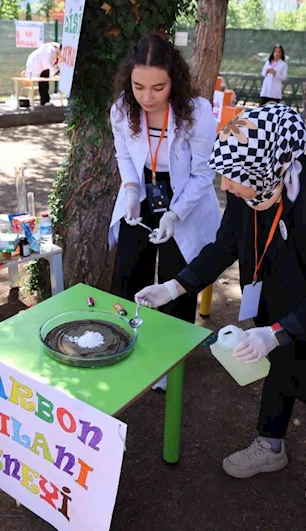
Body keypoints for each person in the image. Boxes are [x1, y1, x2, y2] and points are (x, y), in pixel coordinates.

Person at [136, 104, 306, 509]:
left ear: (271, 170)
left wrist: (276, 333)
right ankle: (270, 445)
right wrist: (175, 286)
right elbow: (225, 245)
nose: (226, 187)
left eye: (234, 179)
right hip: (293, 275)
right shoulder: (247, 184)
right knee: (279, 357)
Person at [109, 35, 221, 389]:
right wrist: (129, 189)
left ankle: (169, 361)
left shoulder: (197, 112)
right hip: (142, 189)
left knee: (177, 277)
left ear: (174, 79)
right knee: (129, 269)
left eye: (158, 87)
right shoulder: (122, 109)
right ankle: (124, 345)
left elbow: (204, 171)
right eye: (138, 86)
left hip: (184, 193)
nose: (147, 97)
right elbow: (125, 156)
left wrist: (175, 212)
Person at [25, 42, 61, 106]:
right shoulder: (49, 49)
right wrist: (57, 72)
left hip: (41, 68)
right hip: (34, 66)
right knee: (43, 81)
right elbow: (47, 63)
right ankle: (44, 101)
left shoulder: (55, 51)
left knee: (44, 81)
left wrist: (56, 71)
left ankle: (45, 100)